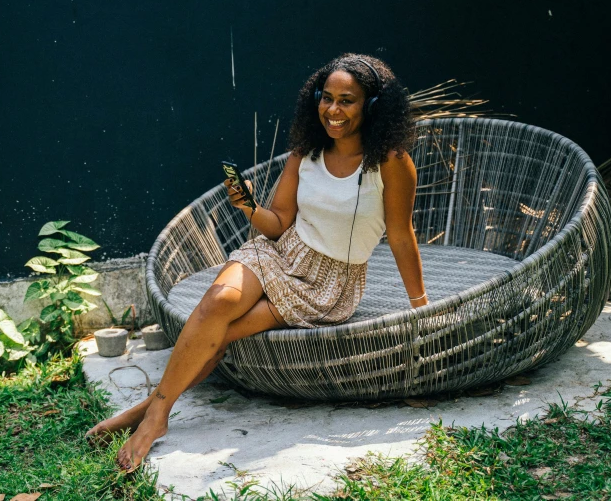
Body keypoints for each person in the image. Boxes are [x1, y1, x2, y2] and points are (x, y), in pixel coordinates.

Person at [85, 53, 428, 472]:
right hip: (278, 253)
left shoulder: (391, 163)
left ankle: (148, 409)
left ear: (371, 107)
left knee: (224, 330)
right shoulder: (307, 153)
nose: (333, 111)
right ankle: (158, 415)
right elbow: (279, 223)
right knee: (217, 302)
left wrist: (420, 304)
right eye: (327, 98)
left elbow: (400, 234)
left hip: (326, 283)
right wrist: (247, 205)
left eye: (347, 101)